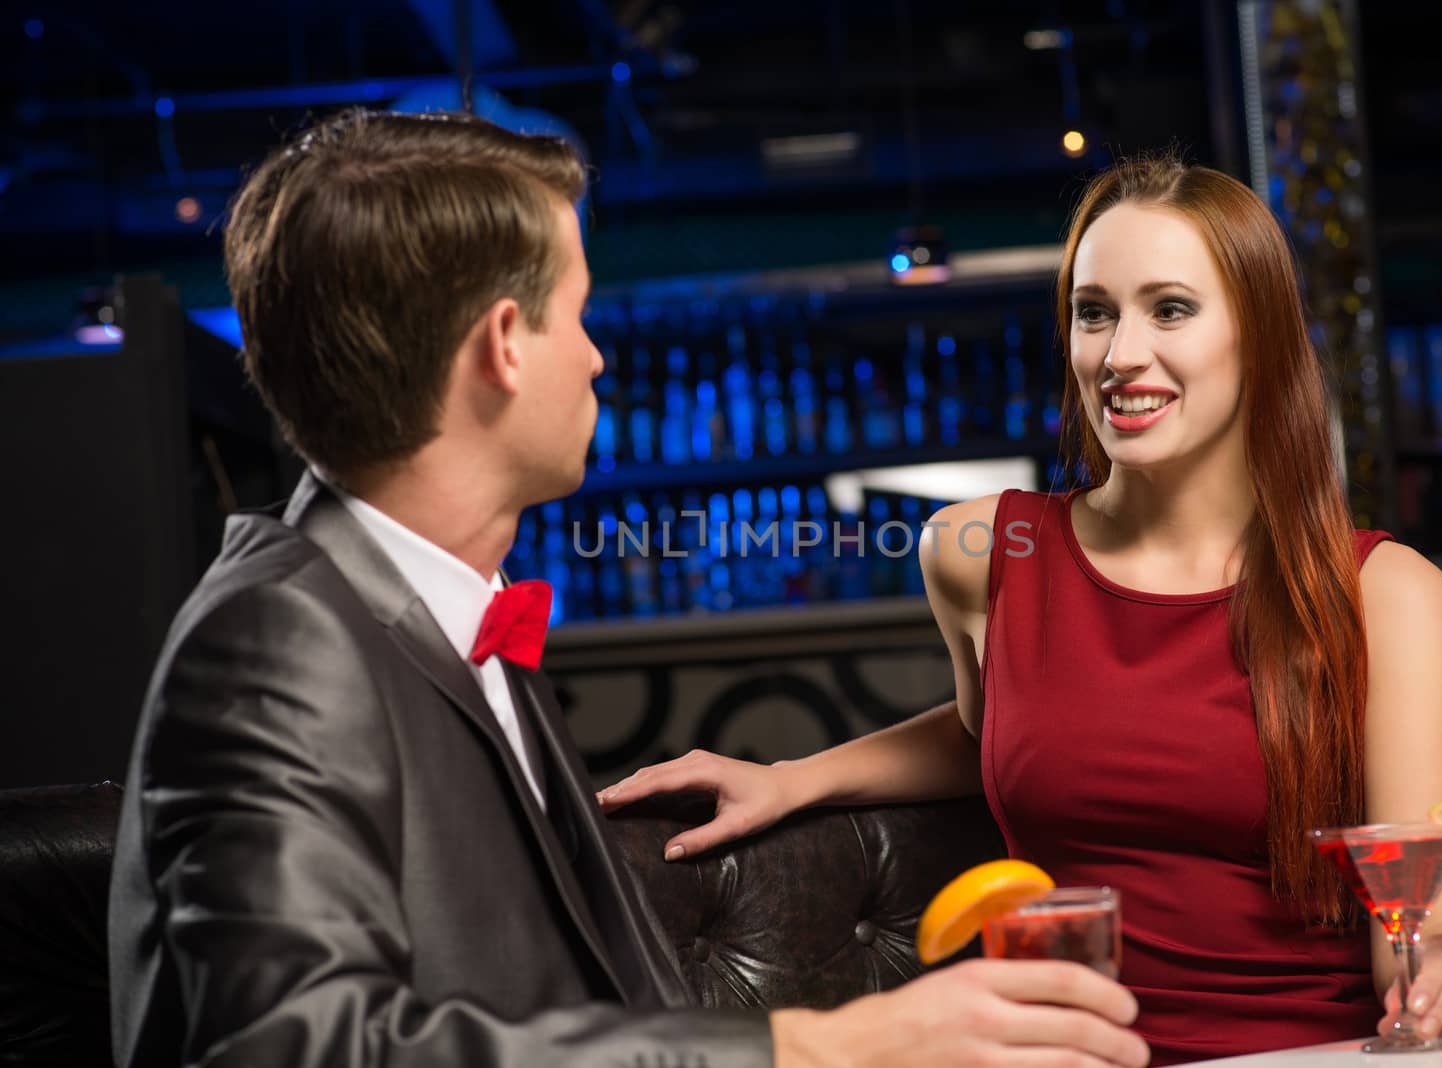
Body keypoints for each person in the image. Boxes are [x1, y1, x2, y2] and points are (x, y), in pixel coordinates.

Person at [106, 108, 1153, 1068]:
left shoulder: (445, 612)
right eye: (579, 315)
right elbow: (286, 1047)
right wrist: (818, 1051)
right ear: (503, 345)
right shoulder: (280, 639)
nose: (601, 360)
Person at [597, 154, 1442, 1065]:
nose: (1120, 355)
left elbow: (1430, 920)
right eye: (1093, 314)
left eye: (1171, 309)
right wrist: (795, 778)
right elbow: (1000, 727)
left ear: (1263, 336)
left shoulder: (1388, 597)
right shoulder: (976, 551)